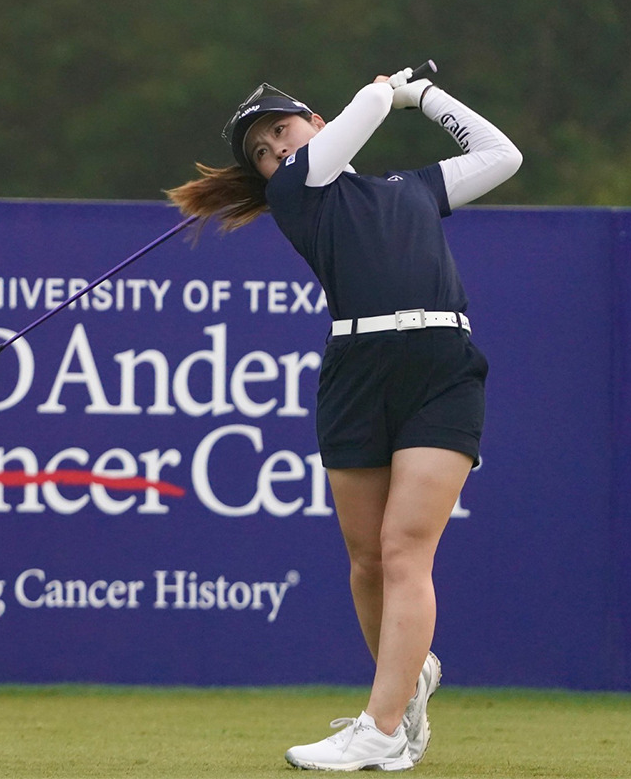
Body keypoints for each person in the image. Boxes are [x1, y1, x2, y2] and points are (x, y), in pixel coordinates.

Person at [167, 67, 521, 771]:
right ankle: (410, 677)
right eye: (261, 151)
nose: (274, 150)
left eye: (280, 130)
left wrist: (425, 97)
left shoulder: (411, 188)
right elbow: (360, 115)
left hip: (441, 367)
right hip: (357, 373)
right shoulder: (296, 192)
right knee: (367, 562)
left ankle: (382, 728)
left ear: (314, 122)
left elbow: (501, 155)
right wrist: (386, 91)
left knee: (403, 549)